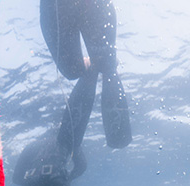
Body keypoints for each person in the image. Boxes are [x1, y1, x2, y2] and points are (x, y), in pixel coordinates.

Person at [40, 0, 132, 150]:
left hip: (56, 8)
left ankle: (94, 68)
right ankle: (96, 67)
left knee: (78, 69)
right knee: (93, 67)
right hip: (70, 6)